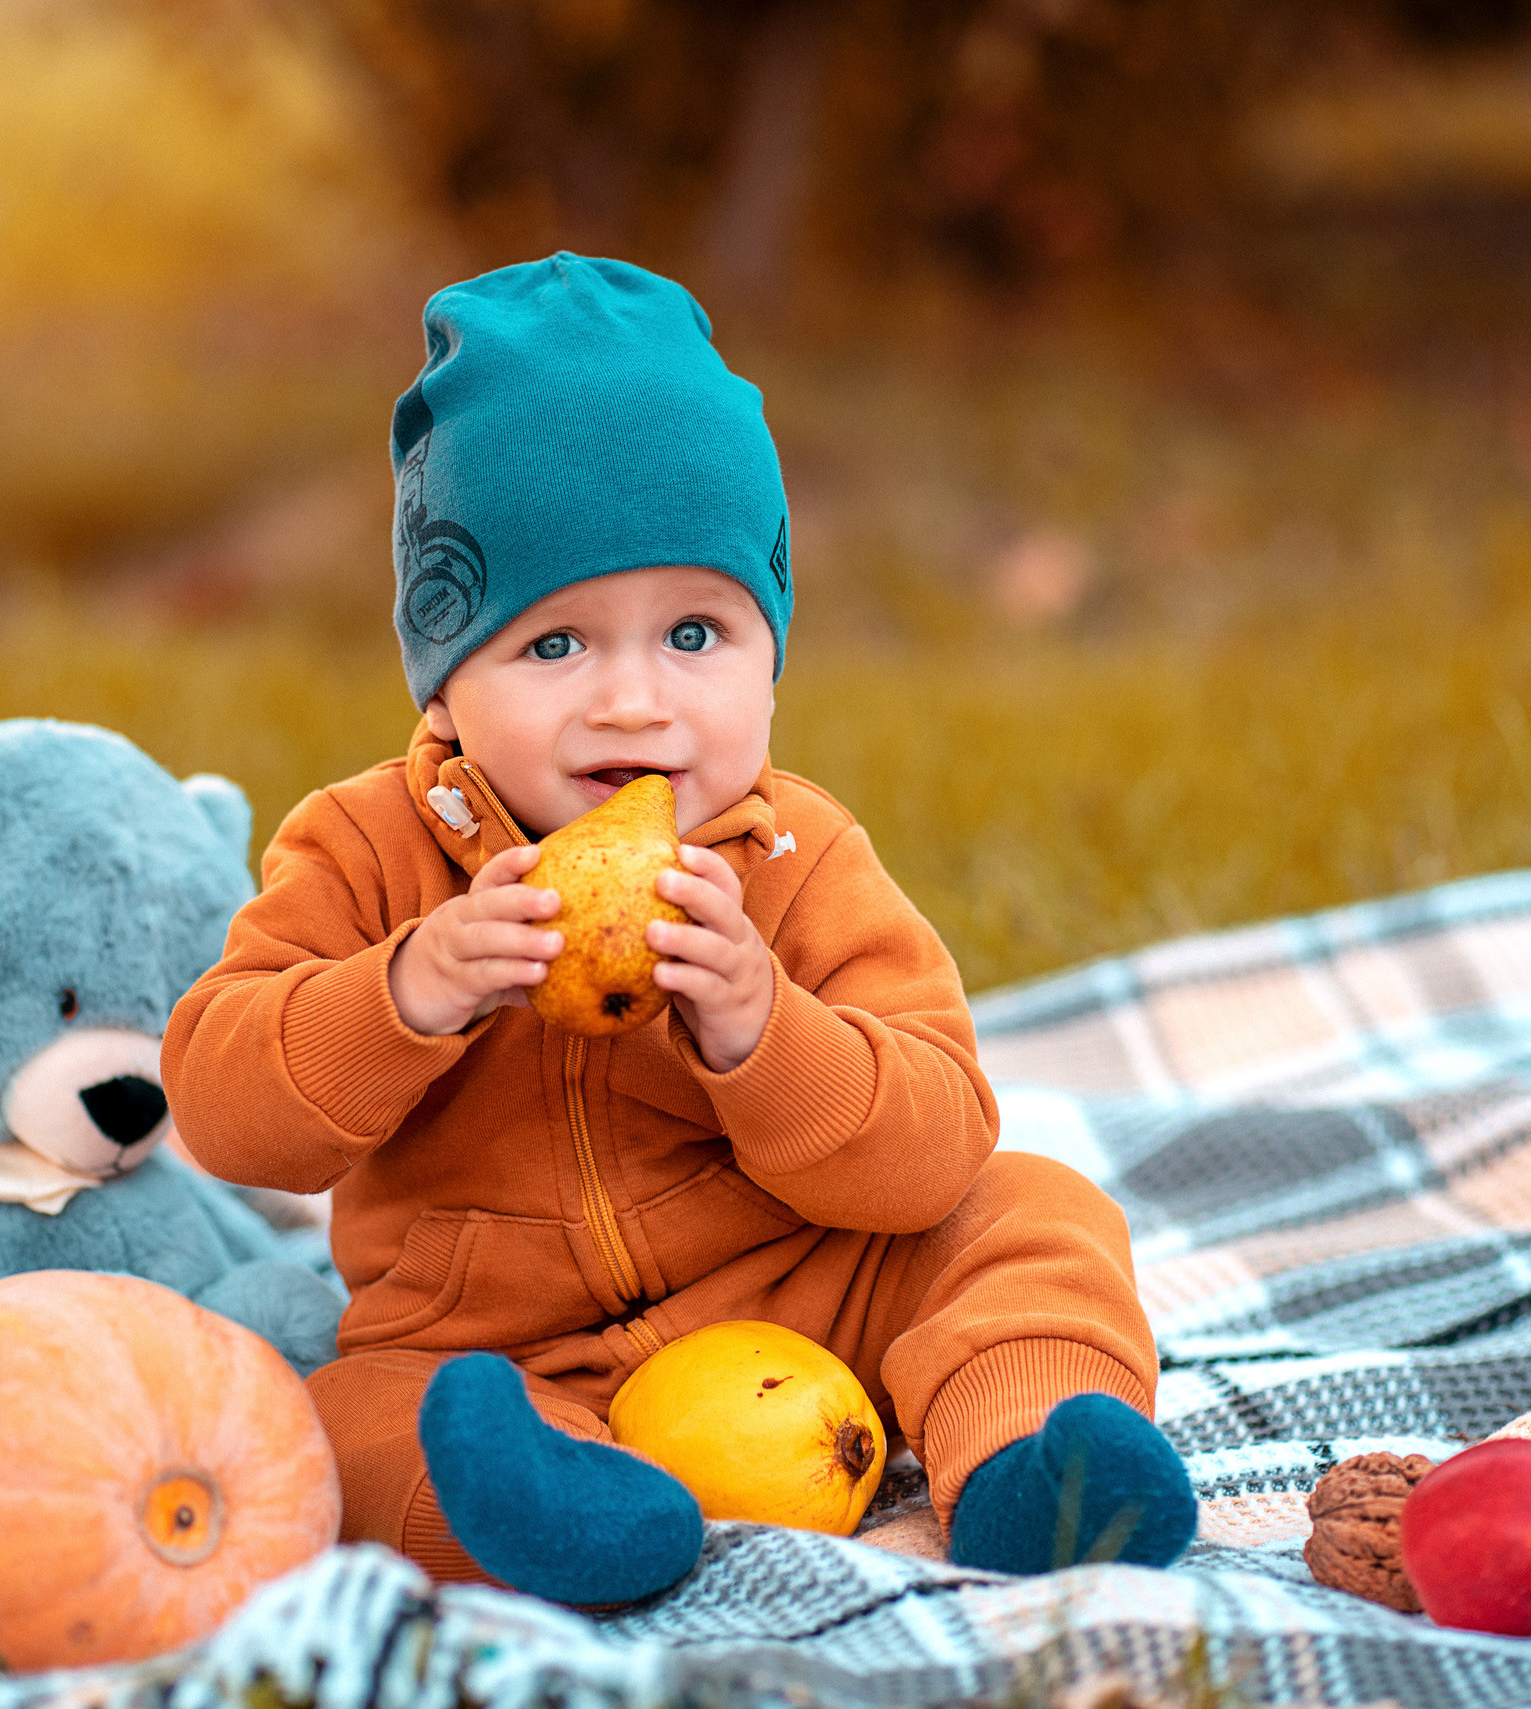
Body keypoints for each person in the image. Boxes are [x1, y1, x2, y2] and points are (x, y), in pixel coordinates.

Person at [163, 253, 1195, 1605]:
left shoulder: (797, 855)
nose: (634, 703)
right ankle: (557, 1517)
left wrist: (765, 1030)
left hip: (808, 1297)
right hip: (506, 1350)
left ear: (772, 654)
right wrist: (406, 990)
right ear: (445, 671)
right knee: (341, 1423)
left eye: (696, 632)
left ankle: (1027, 1464)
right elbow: (228, 1109)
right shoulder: (362, 849)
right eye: (554, 646)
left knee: (1033, 1210)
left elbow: (935, 1140)